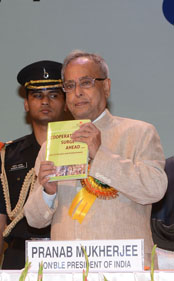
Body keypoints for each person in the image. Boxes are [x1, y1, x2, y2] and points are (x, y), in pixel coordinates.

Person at [24, 51, 167, 266]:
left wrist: (101, 154)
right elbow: (34, 219)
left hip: (127, 268)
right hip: (67, 267)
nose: (77, 92)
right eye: (70, 86)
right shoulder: (51, 145)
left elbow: (155, 189)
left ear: (106, 87)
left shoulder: (139, 133)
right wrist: (47, 192)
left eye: (86, 83)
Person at [0, 60, 66, 269]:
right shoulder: (7, 156)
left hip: (66, 253)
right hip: (20, 256)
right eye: (37, 95)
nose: (45, 101)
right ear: (26, 104)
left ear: (66, 103)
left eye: (54, 95)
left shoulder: (79, 150)